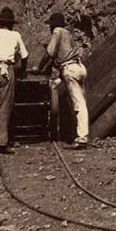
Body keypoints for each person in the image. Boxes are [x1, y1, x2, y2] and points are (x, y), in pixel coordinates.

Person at [35, 12, 89, 149]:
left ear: (53, 25)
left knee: (78, 104)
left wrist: (39, 68)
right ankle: (75, 133)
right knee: (79, 101)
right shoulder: (68, 33)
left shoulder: (58, 31)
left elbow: (50, 53)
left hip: (70, 69)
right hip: (79, 67)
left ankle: (82, 138)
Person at [0, 7, 27, 153]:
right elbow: (25, 55)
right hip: (5, 71)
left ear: (0, 23)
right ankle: (1, 142)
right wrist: (21, 71)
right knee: (4, 106)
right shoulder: (15, 35)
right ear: (11, 24)